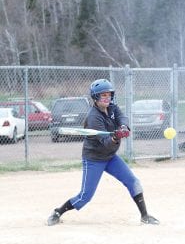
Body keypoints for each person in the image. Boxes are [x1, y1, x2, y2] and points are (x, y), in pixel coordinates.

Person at [47, 79, 159, 226]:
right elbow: (106, 143)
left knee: (134, 182)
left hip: (110, 157)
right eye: (103, 95)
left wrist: (124, 127)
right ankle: (58, 212)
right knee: (85, 197)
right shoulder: (93, 118)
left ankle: (145, 216)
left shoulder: (112, 108)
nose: (107, 98)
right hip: (94, 159)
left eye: (109, 94)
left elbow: (122, 117)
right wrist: (115, 136)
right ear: (95, 98)